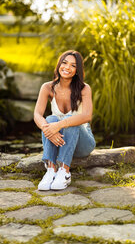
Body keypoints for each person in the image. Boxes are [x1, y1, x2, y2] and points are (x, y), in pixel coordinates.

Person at [34, 50, 96, 190]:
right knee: (49, 119)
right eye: (64, 63)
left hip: (82, 144)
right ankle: (51, 170)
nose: (67, 68)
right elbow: (37, 114)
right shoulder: (47, 87)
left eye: (73, 66)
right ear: (59, 64)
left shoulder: (84, 88)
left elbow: (87, 116)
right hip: (59, 141)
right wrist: (48, 128)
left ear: (77, 70)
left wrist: (59, 125)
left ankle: (65, 171)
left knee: (70, 119)